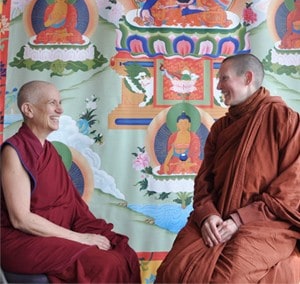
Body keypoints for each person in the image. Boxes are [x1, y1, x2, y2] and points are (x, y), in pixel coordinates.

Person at [155, 53, 300, 283]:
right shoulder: (221, 128)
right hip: (217, 217)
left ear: (247, 78)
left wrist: (239, 220)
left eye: (224, 78)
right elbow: (203, 182)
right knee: (172, 271)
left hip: (265, 224)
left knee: (222, 278)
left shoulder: (284, 120)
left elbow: (292, 189)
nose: (219, 85)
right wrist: (207, 216)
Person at [0, 80, 141, 283]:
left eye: (60, 102)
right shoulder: (14, 152)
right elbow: (20, 219)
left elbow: (71, 206)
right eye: (52, 103)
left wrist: (88, 232)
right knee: (105, 264)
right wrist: (82, 238)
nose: (60, 109)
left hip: (52, 232)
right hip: (21, 240)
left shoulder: (50, 153)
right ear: (28, 109)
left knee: (121, 251)